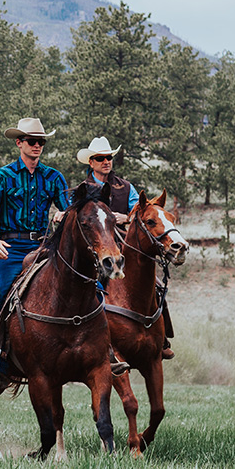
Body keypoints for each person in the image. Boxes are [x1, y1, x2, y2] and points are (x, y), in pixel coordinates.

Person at [0, 118, 71, 389]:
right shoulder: (3, 176)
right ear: (19, 143)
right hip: (12, 248)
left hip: (44, 246)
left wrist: (65, 214)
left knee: (91, 283)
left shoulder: (53, 177)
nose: (37, 146)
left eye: (41, 142)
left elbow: (70, 209)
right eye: (32, 141)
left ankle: (100, 348)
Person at [78, 136, 174, 360]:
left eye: (109, 157)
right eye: (101, 158)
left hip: (124, 245)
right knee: (91, 287)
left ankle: (163, 338)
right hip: (96, 249)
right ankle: (90, 339)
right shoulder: (84, 189)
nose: (106, 162)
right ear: (91, 162)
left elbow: (140, 210)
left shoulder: (126, 187)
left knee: (157, 286)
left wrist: (126, 217)